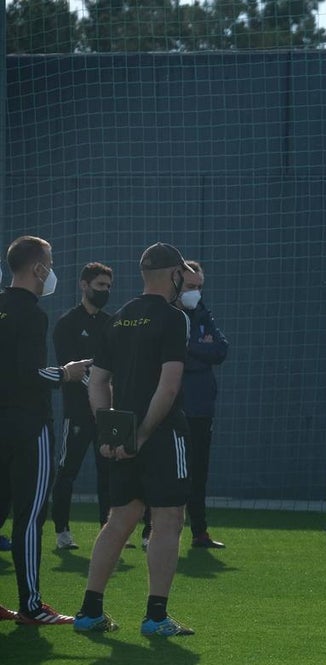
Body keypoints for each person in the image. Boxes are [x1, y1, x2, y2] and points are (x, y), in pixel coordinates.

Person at [73, 242, 197, 636]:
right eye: (183, 275)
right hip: (161, 435)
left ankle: (90, 612)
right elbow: (169, 384)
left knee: (120, 519)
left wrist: (111, 432)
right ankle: (156, 617)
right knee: (168, 520)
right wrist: (143, 434)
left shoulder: (119, 317)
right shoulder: (173, 318)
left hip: (122, 436)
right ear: (174, 275)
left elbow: (97, 382)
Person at [0, 235, 91, 624]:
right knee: (31, 515)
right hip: (29, 424)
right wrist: (66, 373)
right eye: (49, 262)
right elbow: (29, 373)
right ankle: (32, 605)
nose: (52, 270)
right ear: (37, 268)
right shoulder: (33, 313)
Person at [50, 262, 114, 550]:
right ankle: (62, 531)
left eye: (109, 286)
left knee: (109, 474)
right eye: (101, 285)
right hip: (76, 413)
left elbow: (115, 366)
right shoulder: (67, 323)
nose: (105, 291)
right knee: (67, 471)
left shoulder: (111, 324)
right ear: (84, 285)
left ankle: (108, 530)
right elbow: (71, 370)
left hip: (106, 416)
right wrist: (98, 386)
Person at [177, 261, 229, 549]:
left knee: (199, 473)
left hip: (202, 408)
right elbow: (174, 355)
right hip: (174, 407)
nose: (195, 292)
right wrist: (200, 349)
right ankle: (151, 532)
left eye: (199, 287)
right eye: (190, 286)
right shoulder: (169, 315)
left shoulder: (204, 314)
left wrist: (191, 347)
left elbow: (220, 349)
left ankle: (199, 532)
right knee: (169, 473)